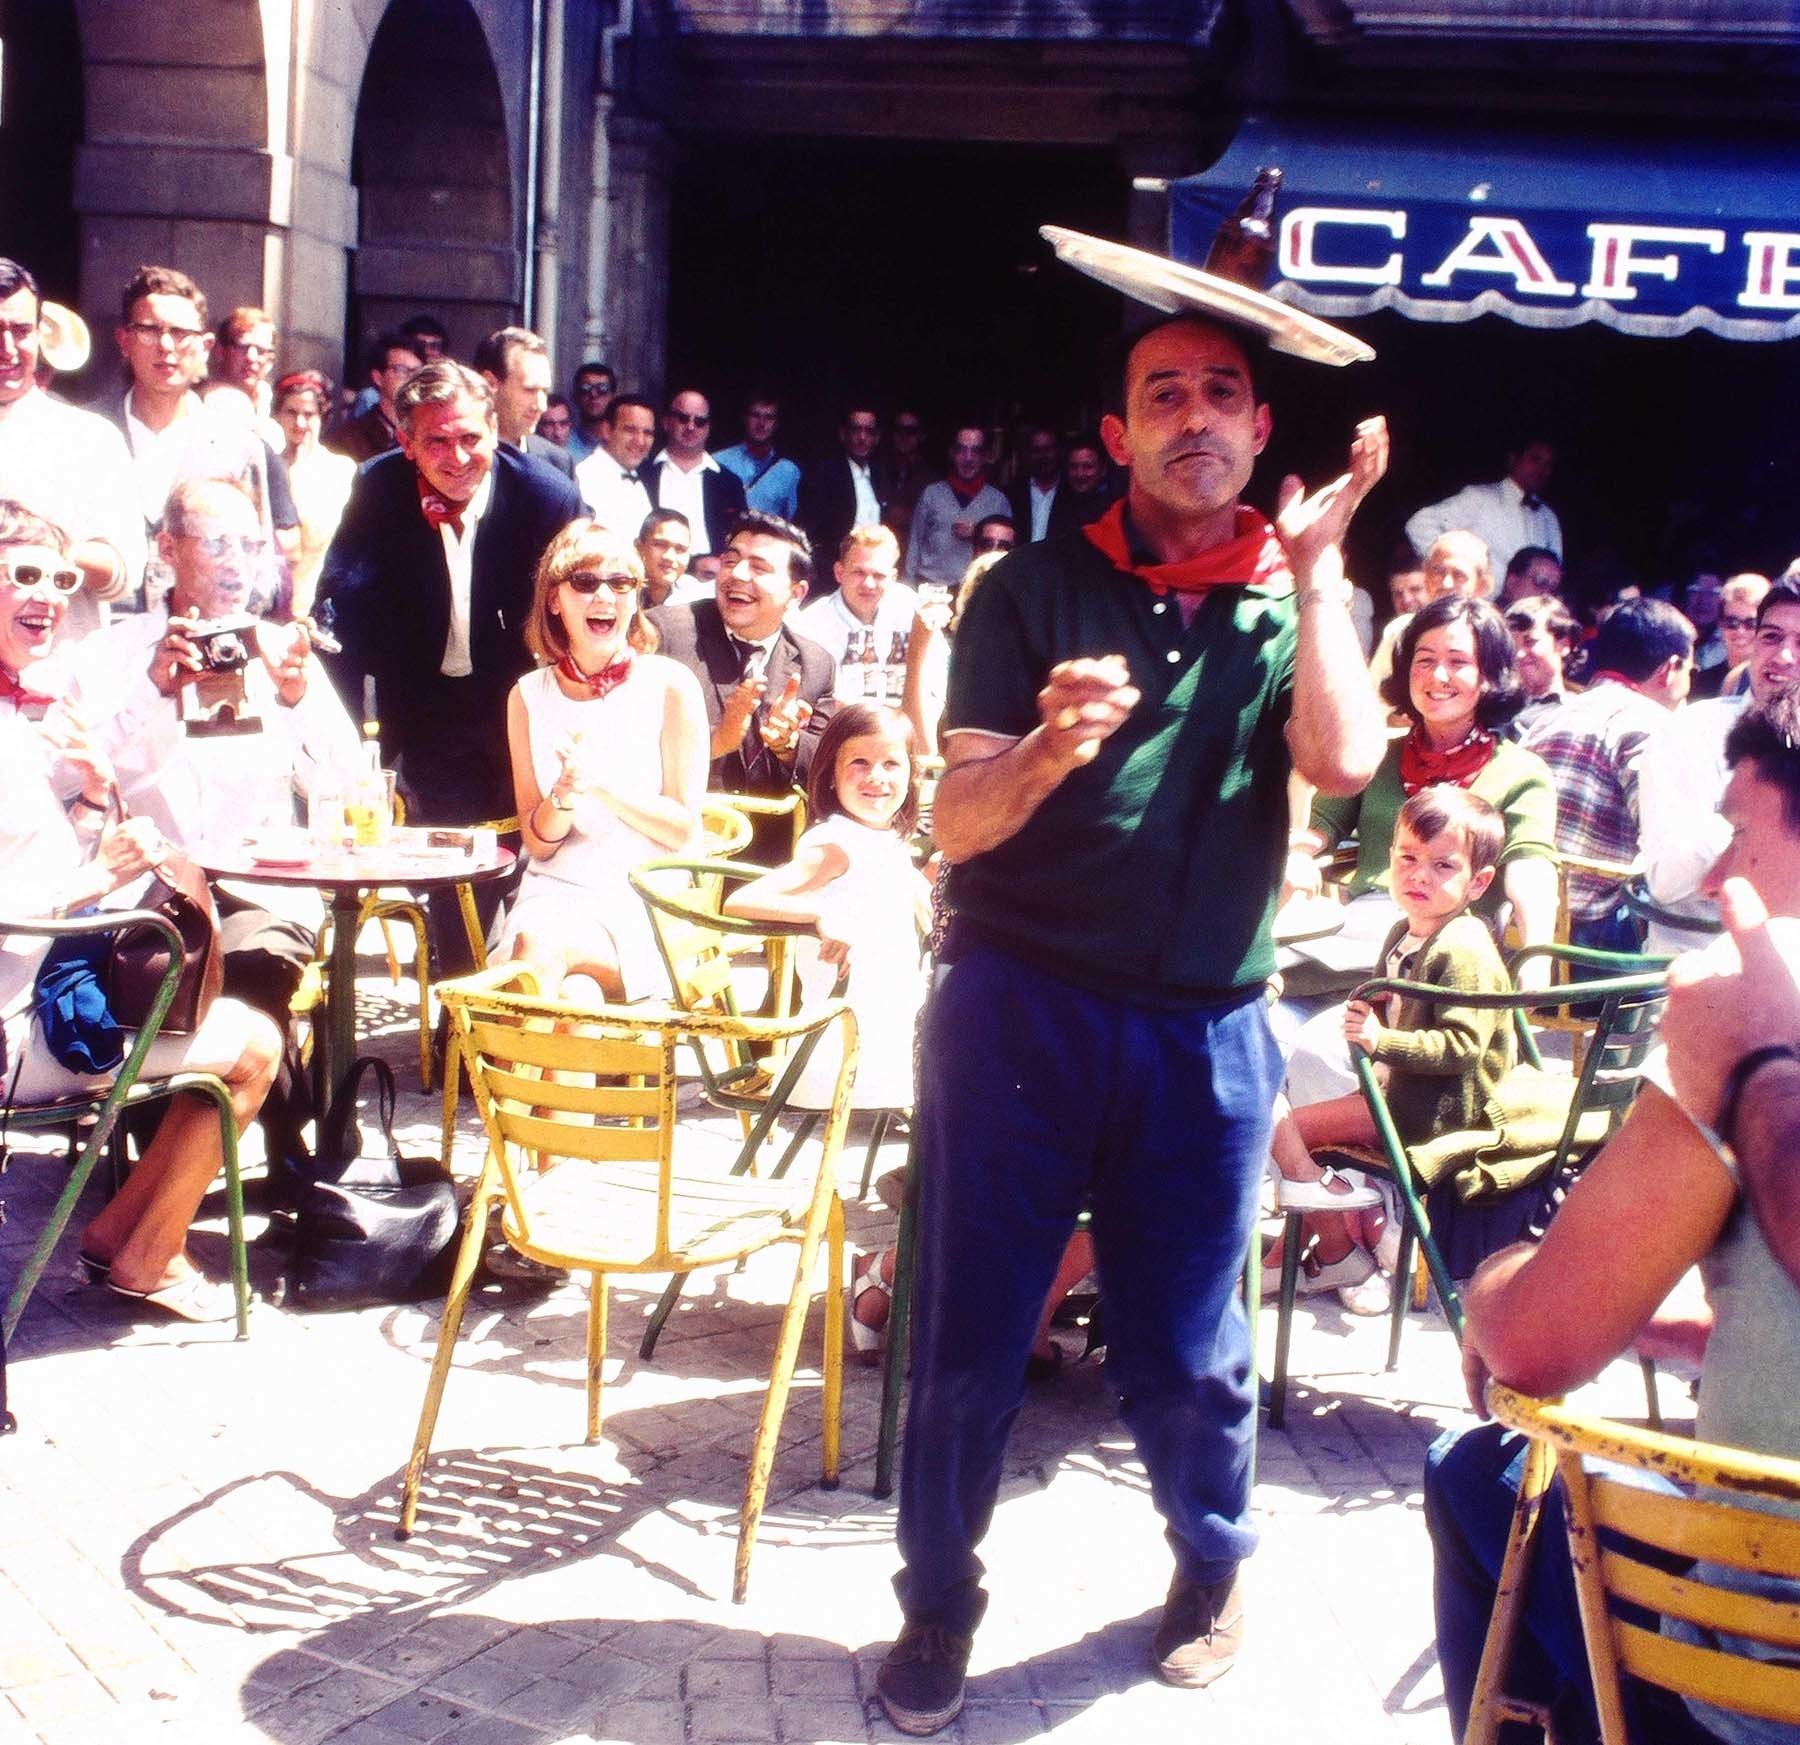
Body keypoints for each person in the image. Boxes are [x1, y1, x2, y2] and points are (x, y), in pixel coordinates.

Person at [875, 291, 1391, 1734]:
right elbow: (959, 823)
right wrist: (1048, 744)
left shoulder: (1289, 599)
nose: (1195, 419)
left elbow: (1345, 761)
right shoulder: (1028, 587)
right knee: (972, 1333)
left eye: (1222, 393)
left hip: (1206, 1029)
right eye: (1164, 395)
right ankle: (936, 1603)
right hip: (1016, 1009)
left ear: (1261, 426)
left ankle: (1211, 1566)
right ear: (1119, 432)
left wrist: (1317, 577)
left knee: (1188, 1346)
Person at [1427, 689, 1800, 1745]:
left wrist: (1490, 1295)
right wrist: (1665, 1325)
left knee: (1475, 1468)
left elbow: (1531, 1347)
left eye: (1736, 830)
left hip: (1759, 1692)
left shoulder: (1761, 995)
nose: (1719, 872)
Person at [0, 499, 281, 1322]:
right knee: (254, 1046)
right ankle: (147, 1254)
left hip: (41, 990)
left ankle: (120, 1236)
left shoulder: (35, 707)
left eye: (58, 577)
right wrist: (96, 883)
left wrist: (92, 802)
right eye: (22, 574)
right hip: (16, 1027)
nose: (47, 593)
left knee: (237, 1002)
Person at [315, 360, 584, 972]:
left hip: (520, 693)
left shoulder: (547, 497)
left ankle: (516, 962)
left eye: (470, 438)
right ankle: (460, 992)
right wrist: (359, 738)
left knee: (531, 847)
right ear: (406, 444)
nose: (457, 457)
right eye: (435, 441)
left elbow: (579, 607)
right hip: (428, 700)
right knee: (453, 860)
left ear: (495, 429)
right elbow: (341, 605)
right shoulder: (378, 486)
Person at [1267, 789, 1516, 1289]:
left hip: (1439, 1108)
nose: (1419, 875)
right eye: (1407, 857)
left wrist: (1382, 1041)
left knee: (1279, 1129)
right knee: (1288, 1125)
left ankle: (1331, 1252)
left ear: (1478, 883)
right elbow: (1389, 1004)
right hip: (1396, 1092)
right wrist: (1374, 1013)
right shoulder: (1404, 930)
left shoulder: (1464, 946)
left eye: (1443, 866)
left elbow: (1462, 1047)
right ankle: (1302, 1252)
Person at [1292, 595, 1559, 977]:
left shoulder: (1522, 772)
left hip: (1448, 948)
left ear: (1489, 676)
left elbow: (1530, 870)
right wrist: (1294, 859)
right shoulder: (1375, 755)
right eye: (1426, 660)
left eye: (1459, 662)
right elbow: (1320, 828)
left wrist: (1536, 961)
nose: (1438, 676)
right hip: (1357, 933)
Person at [498, 520, 707, 1001]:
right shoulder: (527, 696)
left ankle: (494, 1078)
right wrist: (564, 797)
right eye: (586, 583)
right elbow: (537, 841)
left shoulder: (671, 685)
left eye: (621, 583)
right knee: (575, 1001)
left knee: (537, 954)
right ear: (554, 599)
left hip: (645, 899)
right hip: (553, 893)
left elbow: (682, 830)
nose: (604, 597)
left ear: (636, 597)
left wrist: (601, 785)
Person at [1638, 574, 1800, 952]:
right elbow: (1667, 879)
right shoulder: (1691, 733)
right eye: (1772, 637)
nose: (1784, 657)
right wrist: (1756, 806)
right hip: (1699, 966)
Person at [1524, 596, 1694, 953]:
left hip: (1523, 923)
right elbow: (1670, 842)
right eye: (1690, 671)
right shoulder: (1649, 724)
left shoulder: (1545, 720)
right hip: (1591, 940)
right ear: (1671, 668)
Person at [646, 510, 835, 829]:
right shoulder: (663, 633)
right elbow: (628, 741)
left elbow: (825, 765)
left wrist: (788, 746)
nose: (738, 575)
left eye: (759, 567)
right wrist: (716, 740)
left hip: (770, 849)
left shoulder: (815, 664)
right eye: (731, 561)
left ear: (796, 593)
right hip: (674, 834)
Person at [0, 257, 143, 636]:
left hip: (58, 680)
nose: (8, 348)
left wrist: (37, 551)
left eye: (21, 330)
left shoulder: (90, 440)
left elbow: (124, 572)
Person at [1404, 435, 1562, 577]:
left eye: (1549, 464)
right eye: (1535, 459)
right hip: (1482, 605)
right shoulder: (1480, 498)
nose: (1542, 470)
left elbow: (1555, 572)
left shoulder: (1549, 518)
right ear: (1513, 459)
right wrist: (1450, 571)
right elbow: (1419, 524)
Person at [797, 525, 917, 704]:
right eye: (859, 572)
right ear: (839, 572)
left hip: (905, 723)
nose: (868, 584)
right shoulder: (811, 624)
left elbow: (937, 676)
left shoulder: (912, 607)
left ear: (892, 578)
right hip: (844, 726)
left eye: (879, 575)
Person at [272, 369, 356, 619]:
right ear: (278, 415)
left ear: (322, 417)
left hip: (321, 605)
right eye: (291, 412)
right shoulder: (266, 468)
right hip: (274, 606)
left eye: (308, 414)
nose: (299, 423)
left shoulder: (342, 471)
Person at [1369, 530, 1495, 690]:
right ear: (1426, 577)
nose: (1446, 583)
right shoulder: (1401, 631)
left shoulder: (1492, 634)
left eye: (1459, 575)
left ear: (1481, 585)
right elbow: (1373, 693)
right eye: (1438, 571)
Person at [903, 425, 1009, 588]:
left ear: (986, 456)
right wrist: (908, 587)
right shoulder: (931, 494)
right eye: (961, 450)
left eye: (976, 451)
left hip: (977, 590)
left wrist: (979, 533)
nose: (968, 458)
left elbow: (1007, 554)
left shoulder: (998, 502)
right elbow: (914, 545)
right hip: (930, 589)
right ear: (952, 454)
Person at [648, 389, 746, 559]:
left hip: (710, 578)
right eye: (683, 418)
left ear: (708, 428)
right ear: (666, 422)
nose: (691, 427)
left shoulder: (728, 482)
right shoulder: (645, 473)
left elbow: (740, 537)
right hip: (655, 573)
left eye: (700, 421)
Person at [473, 326, 576, 482]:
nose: (541, 406)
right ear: (490, 383)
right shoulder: (457, 458)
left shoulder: (558, 462)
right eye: (530, 390)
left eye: (544, 391)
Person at [798, 404, 889, 577]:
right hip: (835, 571)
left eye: (869, 432)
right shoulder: (824, 474)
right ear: (843, 434)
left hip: (874, 568)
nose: (862, 438)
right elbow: (812, 532)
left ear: (877, 438)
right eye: (856, 430)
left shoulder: (880, 474)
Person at [327, 332, 422, 466]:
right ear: (378, 377)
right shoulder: (349, 439)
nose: (410, 377)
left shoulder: (428, 432)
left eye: (417, 371)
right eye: (400, 370)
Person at [575, 394, 656, 533]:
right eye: (630, 430)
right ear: (606, 430)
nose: (640, 441)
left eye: (647, 433)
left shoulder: (640, 477)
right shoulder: (586, 477)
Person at [715, 392, 801, 522]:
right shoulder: (719, 462)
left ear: (776, 424)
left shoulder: (788, 471)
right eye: (755, 415)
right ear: (745, 418)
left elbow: (790, 520)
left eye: (769, 417)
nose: (761, 423)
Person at [1504, 593, 1579, 738]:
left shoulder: (1578, 711)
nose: (1519, 654)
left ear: (1563, 644)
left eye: (1530, 641)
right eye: (1512, 645)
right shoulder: (1493, 709)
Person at [1693, 570, 1771, 701]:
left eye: (1751, 623)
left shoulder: (1777, 684)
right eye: (1731, 622)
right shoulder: (1699, 684)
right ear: (1720, 623)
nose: (1740, 631)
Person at [1005, 424, 1073, 543]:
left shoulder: (1072, 492)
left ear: (1059, 451)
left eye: (1048, 449)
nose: (1043, 456)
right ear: (1028, 454)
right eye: (1036, 450)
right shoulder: (1013, 493)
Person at [636, 508, 708, 609]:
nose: (669, 557)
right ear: (639, 547)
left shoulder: (694, 595)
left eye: (680, 549)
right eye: (660, 544)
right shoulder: (622, 591)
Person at [565, 360, 617, 462]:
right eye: (585, 388)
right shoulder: (563, 445)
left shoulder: (621, 444)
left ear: (612, 396)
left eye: (602, 389)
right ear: (576, 396)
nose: (593, 395)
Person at [1060, 432, 1115, 526]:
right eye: (1074, 467)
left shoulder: (1114, 508)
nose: (1080, 474)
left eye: (1088, 467)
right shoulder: (1059, 503)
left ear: (1102, 470)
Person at [1498, 544, 1563, 606]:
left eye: (1553, 590)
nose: (1547, 595)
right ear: (1512, 582)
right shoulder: (1489, 615)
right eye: (1540, 582)